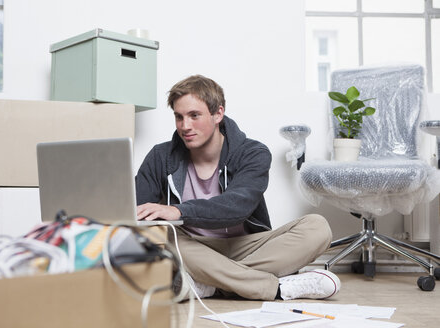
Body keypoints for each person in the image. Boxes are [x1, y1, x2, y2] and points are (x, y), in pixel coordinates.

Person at [135, 75, 340, 301]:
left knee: (317, 228)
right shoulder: (161, 156)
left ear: (218, 114)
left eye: (194, 115)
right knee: (162, 234)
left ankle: (209, 283)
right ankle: (274, 288)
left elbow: (237, 206)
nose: (185, 126)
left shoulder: (252, 153)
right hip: (191, 247)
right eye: (179, 117)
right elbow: (138, 211)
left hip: (244, 245)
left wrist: (180, 211)